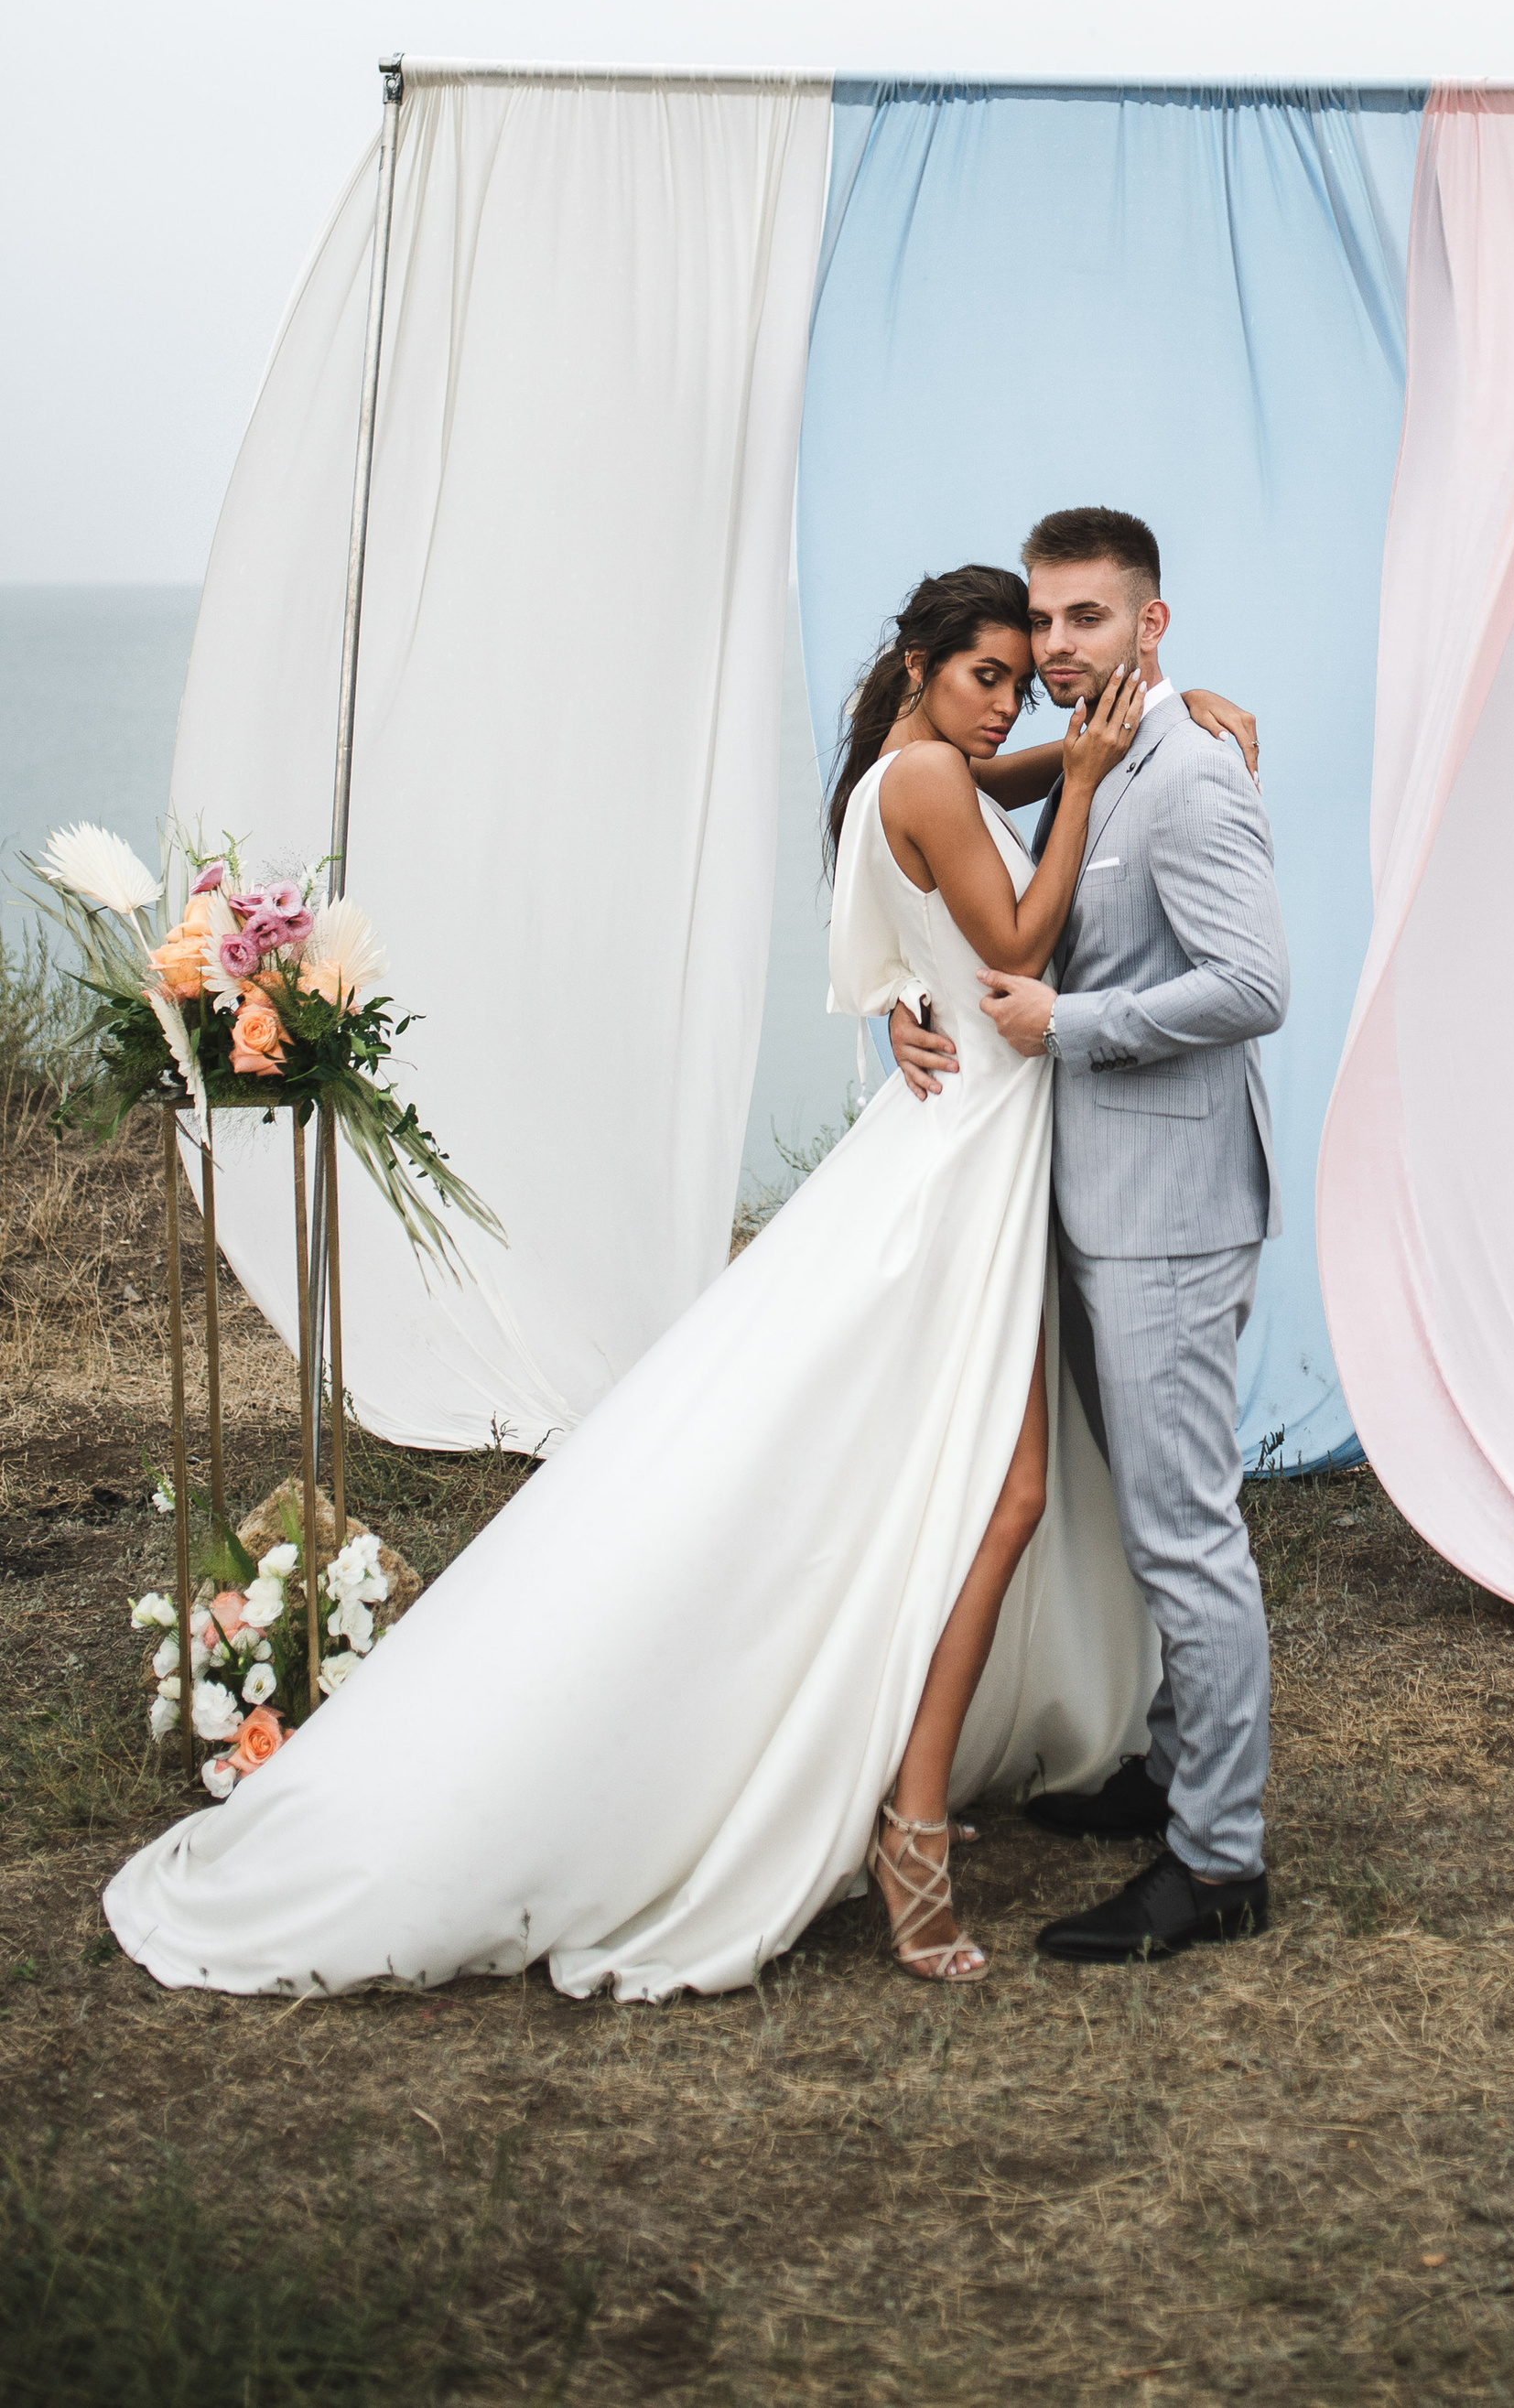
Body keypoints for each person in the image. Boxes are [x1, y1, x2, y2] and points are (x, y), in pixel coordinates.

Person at [103, 566, 1252, 1998]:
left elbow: (987, 801)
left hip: (972, 1139)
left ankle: (916, 1784)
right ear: (919, 664)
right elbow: (1017, 947)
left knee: (961, 1482)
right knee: (995, 1493)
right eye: (990, 674)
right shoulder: (939, 784)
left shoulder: (915, 770)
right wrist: (1085, 784)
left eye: (1027, 677)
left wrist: (1141, 735)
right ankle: (909, 1826)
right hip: (971, 1156)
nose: (1014, 700)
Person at [891, 506, 1290, 1964]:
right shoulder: (1089, 757)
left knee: (1188, 1533)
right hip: (1080, 1200)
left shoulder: (1189, 777)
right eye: (1044, 624)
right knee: (1148, 1519)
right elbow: (952, 868)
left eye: (1088, 621)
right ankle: (1170, 1770)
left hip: (1170, 1212)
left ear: (1153, 624)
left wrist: (1072, 1024)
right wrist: (911, 996)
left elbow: (1256, 983)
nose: (1057, 650)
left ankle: (1221, 1858)